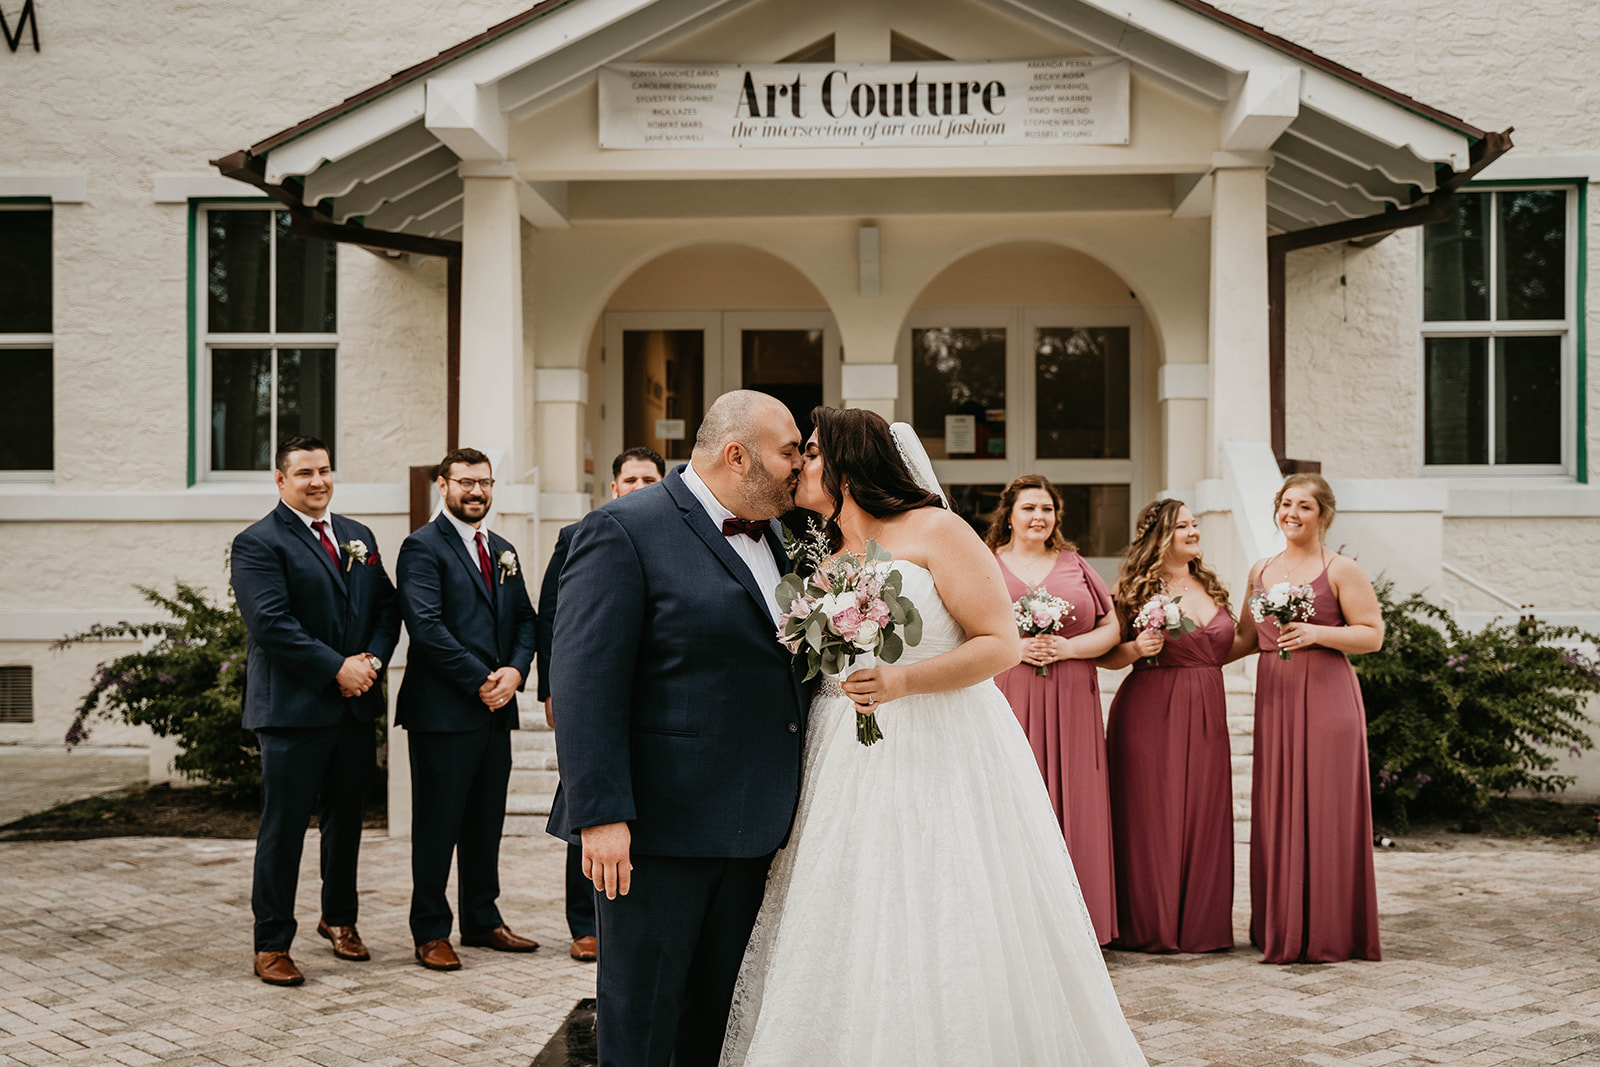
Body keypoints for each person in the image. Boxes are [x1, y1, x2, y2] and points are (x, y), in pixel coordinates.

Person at [721, 408, 1147, 1067]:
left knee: (940, 903)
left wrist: (903, 683)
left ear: (845, 460)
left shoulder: (936, 530)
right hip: (841, 756)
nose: (799, 463)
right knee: (851, 912)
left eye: (809, 452)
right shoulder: (828, 553)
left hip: (938, 748)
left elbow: (1001, 644)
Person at [548, 391, 808, 1067]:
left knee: (714, 1017)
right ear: (736, 454)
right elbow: (583, 684)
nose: (799, 464)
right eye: (789, 451)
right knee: (642, 1013)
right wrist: (601, 813)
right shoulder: (622, 530)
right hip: (655, 831)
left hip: (752, 826)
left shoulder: (778, 536)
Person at [230, 436, 401, 986]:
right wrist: (337, 669)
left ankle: (340, 919)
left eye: (325, 470)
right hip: (292, 710)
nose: (318, 481)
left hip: (354, 709)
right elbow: (272, 625)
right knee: (284, 828)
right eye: (304, 473)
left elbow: (386, 607)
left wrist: (371, 660)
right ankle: (272, 941)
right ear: (280, 481)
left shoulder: (358, 536)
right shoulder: (258, 543)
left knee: (346, 822)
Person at [395, 447, 542, 971]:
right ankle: (431, 930)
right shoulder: (421, 548)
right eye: (465, 483)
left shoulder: (502, 549)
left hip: (495, 710)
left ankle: (482, 919)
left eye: (484, 482)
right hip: (442, 713)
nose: (476, 492)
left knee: (485, 822)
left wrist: (516, 673)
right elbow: (426, 627)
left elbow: (526, 619)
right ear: (443, 485)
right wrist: (482, 679)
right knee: (437, 826)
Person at [1230, 473, 1384, 964]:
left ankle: (1330, 929)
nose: (1292, 514)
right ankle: (1282, 923)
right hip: (1276, 696)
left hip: (1327, 697)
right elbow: (1243, 641)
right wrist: (1175, 653)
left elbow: (1371, 635)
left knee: (1326, 806)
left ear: (1324, 515)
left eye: (1305, 507)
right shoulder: (1260, 570)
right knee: (1278, 806)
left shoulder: (1341, 568)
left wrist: (1317, 633)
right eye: (1286, 504)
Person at [535, 445, 665, 963]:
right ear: (614, 488)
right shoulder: (581, 535)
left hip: (647, 698)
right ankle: (583, 923)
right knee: (585, 802)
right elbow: (553, 619)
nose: (638, 487)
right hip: (594, 697)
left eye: (648, 478)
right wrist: (552, 689)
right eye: (629, 480)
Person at [987, 474, 1121, 945]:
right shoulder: (987, 563)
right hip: (1010, 693)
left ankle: (1082, 928)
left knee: (1079, 797)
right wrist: (1013, 649)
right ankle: (1020, 927)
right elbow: (963, 626)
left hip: (1072, 695)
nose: (1039, 517)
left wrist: (1071, 649)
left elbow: (1112, 627)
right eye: (1029, 508)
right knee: (1014, 798)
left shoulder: (1075, 564)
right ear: (1010, 514)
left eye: (1047, 509)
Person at [1100, 499, 1235, 954]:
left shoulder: (1209, 585)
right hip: (1150, 710)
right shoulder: (1134, 587)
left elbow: (1225, 647)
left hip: (1206, 711)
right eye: (1183, 526)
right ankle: (1149, 924)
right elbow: (1107, 653)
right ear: (1161, 535)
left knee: (1203, 810)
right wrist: (1138, 648)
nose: (1193, 531)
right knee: (1151, 817)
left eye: (1195, 524)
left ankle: (1200, 925)